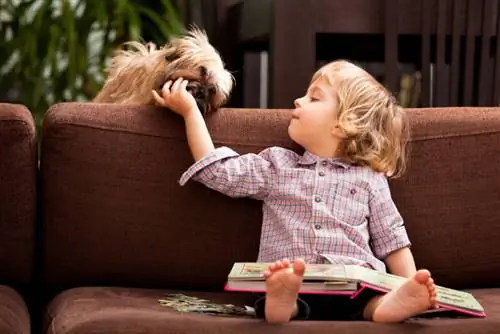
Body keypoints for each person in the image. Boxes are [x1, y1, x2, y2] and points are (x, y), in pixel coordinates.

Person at [152, 60, 437, 324]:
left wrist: (408, 283)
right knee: (280, 289)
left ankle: (393, 305)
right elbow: (219, 172)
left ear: (345, 122)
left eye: (314, 97)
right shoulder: (277, 165)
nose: (298, 100)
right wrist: (191, 112)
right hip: (295, 282)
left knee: (373, 302)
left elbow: (393, 239)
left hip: (355, 285)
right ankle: (282, 302)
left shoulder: (370, 178)